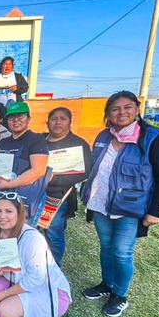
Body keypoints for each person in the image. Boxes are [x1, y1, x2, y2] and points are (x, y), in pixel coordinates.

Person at [81, 91, 159, 317]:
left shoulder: (152, 137)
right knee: (106, 246)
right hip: (101, 203)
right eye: (115, 109)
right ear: (108, 114)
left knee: (122, 252)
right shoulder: (103, 136)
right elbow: (94, 167)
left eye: (127, 107)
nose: (121, 112)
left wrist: (155, 211)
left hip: (131, 207)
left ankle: (119, 295)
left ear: (137, 109)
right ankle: (107, 284)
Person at [0, 192, 71, 317]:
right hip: (18, 280)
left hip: (50, 291)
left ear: (19, 213)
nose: (2, 216)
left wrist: (7, 293)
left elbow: (36, 280)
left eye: (9, 211)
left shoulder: (33, 239)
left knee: (4, 308)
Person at [44, 107, 93, 267]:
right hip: (35, 195)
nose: (58, 122)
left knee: (53, 234)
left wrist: (56, 180)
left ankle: (54, 268)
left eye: (63, 118)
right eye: (54, 118)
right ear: (47, 123)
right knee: (30, 232)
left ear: (70, 122)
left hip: (58, 198)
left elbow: (84, 171)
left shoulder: (78, 144)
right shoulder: (40, 141)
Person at [0, 102, 49, 224]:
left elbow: (38, 171)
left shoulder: (36, 139)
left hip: (26, 199)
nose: (16, 120)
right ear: (7, 121)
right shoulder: (3, 142)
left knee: (23, 235)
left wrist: (9, 184)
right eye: (12, 117)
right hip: (4, 197)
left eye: (20, 116)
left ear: (28, 118)